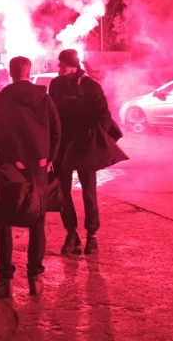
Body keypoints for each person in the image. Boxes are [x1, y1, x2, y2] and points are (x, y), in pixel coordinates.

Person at [0, 56, 61, 298]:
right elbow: (57, 130)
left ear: (10, 73)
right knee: (37, 220)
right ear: (28, 71)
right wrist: (50, 157)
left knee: (3, 220)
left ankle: (5, 282)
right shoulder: (43, 99)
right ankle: (35, 278)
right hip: (39, 169)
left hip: (8, 170)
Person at [48, 48, 114, 256]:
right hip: (63, 146)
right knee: (62, 192)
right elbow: (51, 115)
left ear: (73, 66)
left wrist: (95, 139)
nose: (59, 68)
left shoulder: (90, 87)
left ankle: (92, 236)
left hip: (85, 146)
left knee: (89, 191)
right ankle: (71, 234)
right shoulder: (56, 85)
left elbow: (104, 116)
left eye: (62, 64)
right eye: (59, 64)